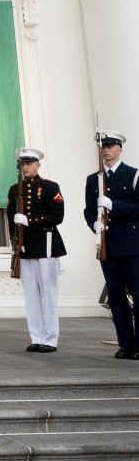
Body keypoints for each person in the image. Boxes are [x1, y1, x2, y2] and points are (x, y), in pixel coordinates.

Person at [84, 131, 139, 359]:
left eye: (110, 145)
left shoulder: (134, 175)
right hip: (107, 245)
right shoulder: (93, 179)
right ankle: (126, 343)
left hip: (131, 246)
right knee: (115, 297)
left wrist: (113, 205)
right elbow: (88, 210)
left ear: (120, 149)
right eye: (103, 146)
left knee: (136, 294)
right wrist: (94, 224)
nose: (105, 149)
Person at [7, 148, 66, 354]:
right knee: (31, 294)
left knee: (48, 293)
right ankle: (36, 336)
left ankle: (50, 338)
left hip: (46, 244)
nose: (25, 167)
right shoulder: (15, 190)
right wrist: (15, 244)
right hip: (25, 247)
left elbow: (57, 216)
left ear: (38, 164)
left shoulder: (50, 187)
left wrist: (30, 221)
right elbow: (10, 219)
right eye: (22, 164)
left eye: (29, 163)